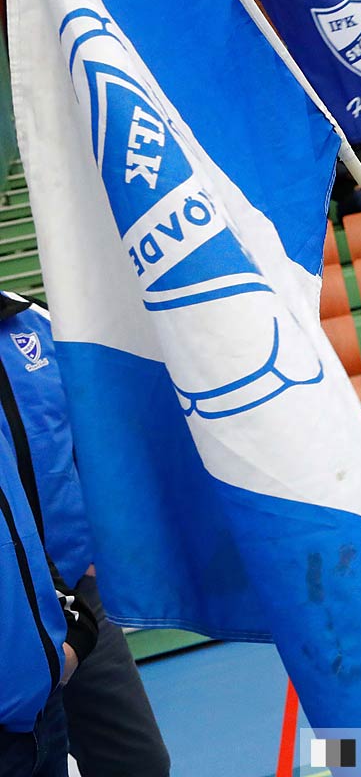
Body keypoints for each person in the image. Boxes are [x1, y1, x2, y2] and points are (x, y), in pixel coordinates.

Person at [1, 295, 170, 777]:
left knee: (139, 763)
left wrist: (98, 552)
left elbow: (98, 444)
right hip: (9, 616)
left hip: (78, 597)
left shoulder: (35, 326)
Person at [1, 341, 99, 777]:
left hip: (42, 703)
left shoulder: (35, 329)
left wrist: (74, 632)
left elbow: (20, 533)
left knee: (142, 760)